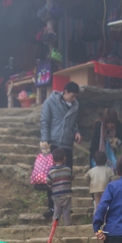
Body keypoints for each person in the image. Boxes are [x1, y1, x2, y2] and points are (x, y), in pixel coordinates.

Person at [40, 82, 82, 218]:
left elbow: (75, 122)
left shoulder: (75, 105)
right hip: (54, 144)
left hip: (67, 145)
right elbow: (45, 122)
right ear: (65, 92)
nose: (74, 99)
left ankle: (65, 207)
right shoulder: (50, 102)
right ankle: (52, 207)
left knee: (66, 177)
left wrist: (76, 132)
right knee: (53, 177)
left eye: (76, 96)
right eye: (72, 96)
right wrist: (45, 142)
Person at [47, 148, 74, 226]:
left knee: (57, 210)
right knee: (66, 210)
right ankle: (67, 224)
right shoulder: (68, 169)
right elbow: (72, 177)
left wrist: (51, 187)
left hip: (56, 195)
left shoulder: (51, 171)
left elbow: (48, 181)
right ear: (65, 158)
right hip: (67, 194)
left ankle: (55, 225)